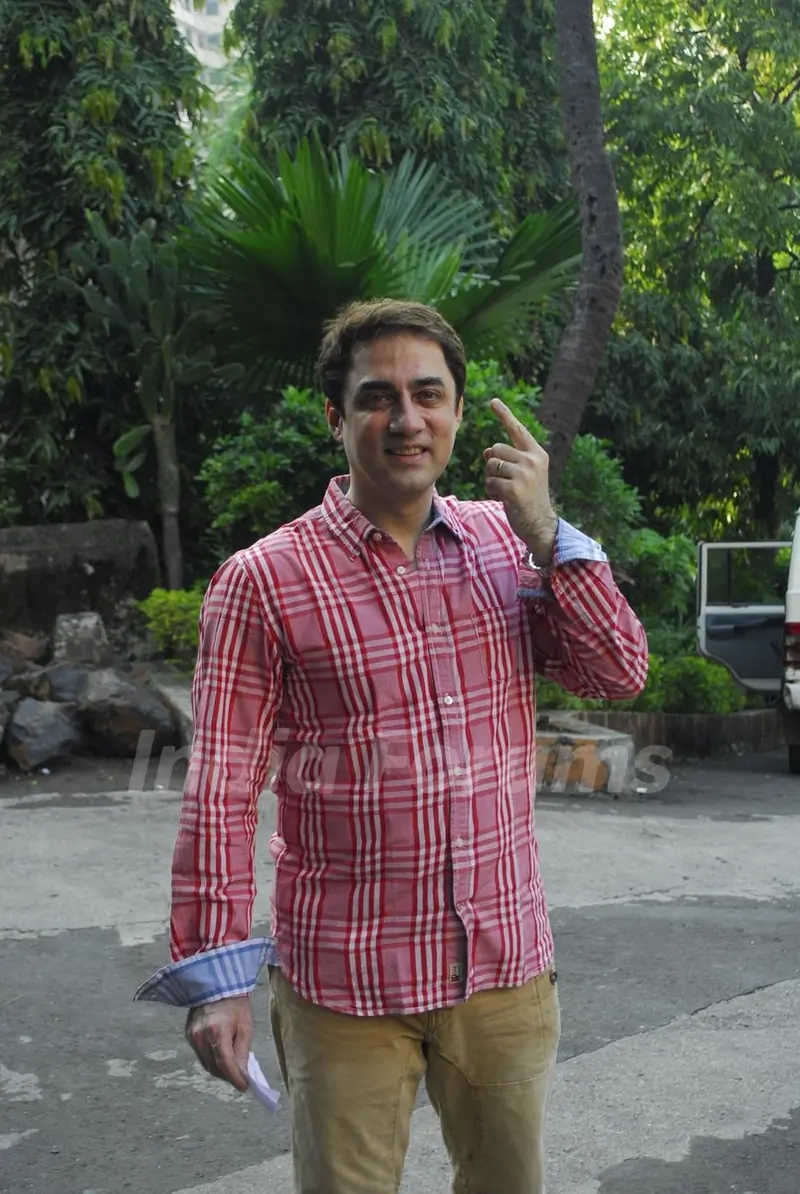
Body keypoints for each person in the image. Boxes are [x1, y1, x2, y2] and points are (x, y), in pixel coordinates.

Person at [150, 300, 648, 1193]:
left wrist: (550, 533)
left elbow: (618, 672)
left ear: (458, 412)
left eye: (430, 394)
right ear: (336, 418)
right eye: (378, 397)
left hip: (502, 969)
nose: (407, 420)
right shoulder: (263, 582)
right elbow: (222, 789)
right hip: (343, 984)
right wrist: (215, 976)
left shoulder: (508, 544)